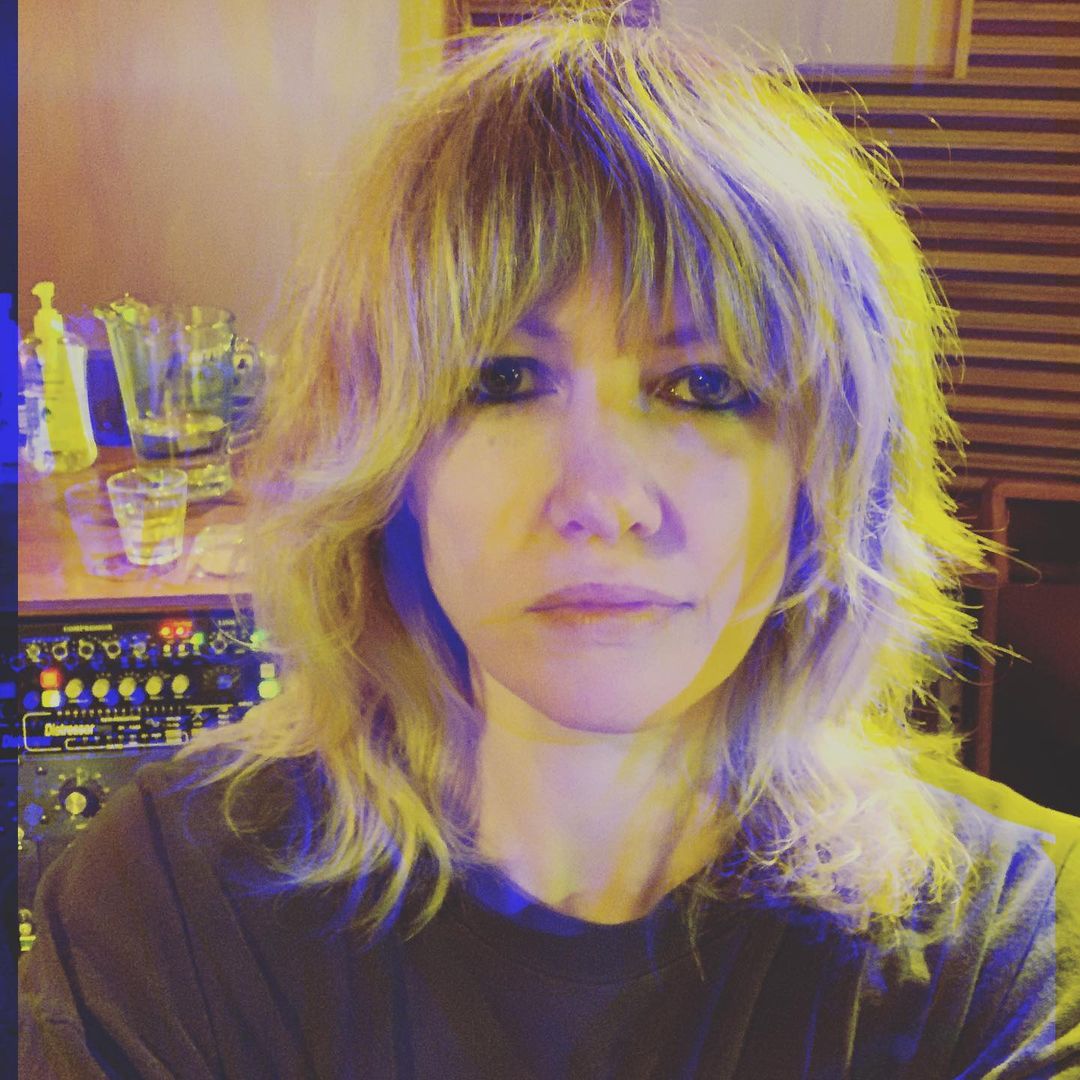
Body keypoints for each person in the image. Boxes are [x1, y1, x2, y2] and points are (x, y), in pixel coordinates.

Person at [19, 4, 1079, 1077]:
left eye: (703, 386)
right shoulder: (164, 911)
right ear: (385, 467)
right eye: (501, 380)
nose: (599, 500)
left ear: (826, 477)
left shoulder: (1012, 943)